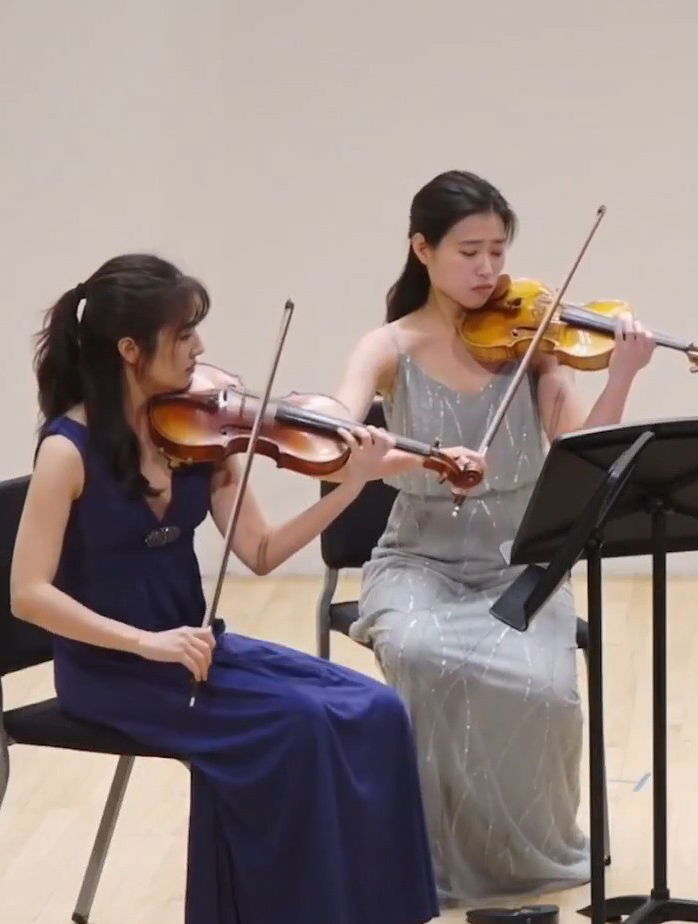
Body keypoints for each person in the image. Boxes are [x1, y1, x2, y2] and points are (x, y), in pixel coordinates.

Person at [10, 253, 439, 924]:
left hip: (198, 652)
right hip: (114, 671)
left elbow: (262, 552)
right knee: (297, 729)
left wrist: (354, 484)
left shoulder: (198, 436)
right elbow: (28, 594)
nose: (200, 348)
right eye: (182, 334)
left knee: (378, 710)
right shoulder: (67, 450)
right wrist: (147, 643)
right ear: (130, 349)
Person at [332, 169, 656, 907]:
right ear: (422, 249)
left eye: (497, 253)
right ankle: (432, 857)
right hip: (418, 562)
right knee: (419, 655)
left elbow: (584, 449)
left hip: (520, 565)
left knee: (544, 691)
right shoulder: (387, 346)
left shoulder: (533, 344)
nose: (487, 271)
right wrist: (424, 458)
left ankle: (525, 855)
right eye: (468, 252)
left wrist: (625, 374)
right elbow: (347, 439)